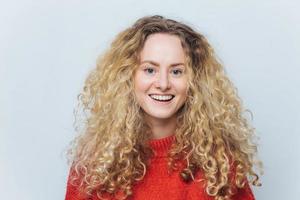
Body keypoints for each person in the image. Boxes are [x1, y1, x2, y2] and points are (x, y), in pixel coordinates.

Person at [65, 15, 263, 200]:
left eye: (177, 71)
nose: (163, 83)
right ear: (128, 76)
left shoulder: (219, 163)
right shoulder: (95, 164)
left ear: (195, 80)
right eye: (150, 70)